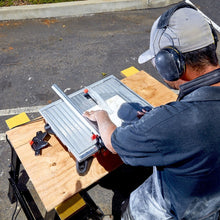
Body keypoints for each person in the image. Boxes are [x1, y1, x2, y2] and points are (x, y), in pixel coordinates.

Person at [83, 2, 220, 219]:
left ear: (171, 64)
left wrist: (101, 116)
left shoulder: (174, 122)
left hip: (180, 211)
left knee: (123, 197)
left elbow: (113, 142)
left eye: (157, 63)